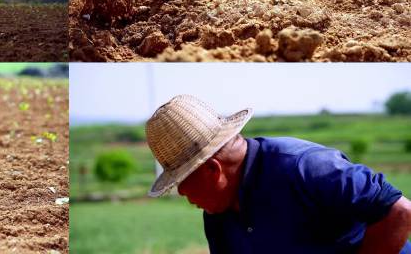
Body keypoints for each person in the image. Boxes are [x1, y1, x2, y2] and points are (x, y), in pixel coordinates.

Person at [145, 95, 411, 253]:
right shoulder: (218, 216)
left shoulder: (304, 167)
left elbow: (400, 212)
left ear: (213, 170)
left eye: (183, 180)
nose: (181, 192)